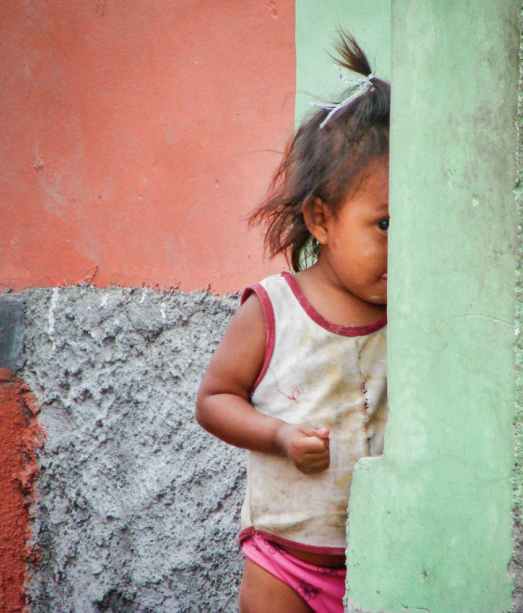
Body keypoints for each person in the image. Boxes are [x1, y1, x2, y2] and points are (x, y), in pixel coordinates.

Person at [196, 31, 390, 613]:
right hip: (283, 559)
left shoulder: (414, 317)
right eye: (386, 225)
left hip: (383, 558)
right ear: (322, 218)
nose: (406, 244)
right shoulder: (274, 309)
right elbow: (214, 401)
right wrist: (279, 436)